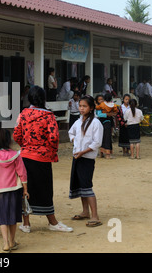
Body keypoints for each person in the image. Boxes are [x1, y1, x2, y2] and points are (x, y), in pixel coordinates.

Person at [13, 85, 73, 233]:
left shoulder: (23, 114)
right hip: (43, 157)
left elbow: (16, 135)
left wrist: (26, 146)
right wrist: (49, 150)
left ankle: (26, 224)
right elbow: (54, 137)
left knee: (25, 189)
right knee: (45, 189)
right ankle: (52, 221)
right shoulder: (49, 116)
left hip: (25, 156)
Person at [0, 128, 28, 253]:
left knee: (3, 217)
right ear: (9, 140)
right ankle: (12, 241)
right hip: (14, 189)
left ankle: (5, 244)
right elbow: (22, 173)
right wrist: (25, 189)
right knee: (12, 217)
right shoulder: (15, 155)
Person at [68, 95, 103, 227]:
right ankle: (85, 211)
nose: (81, 108)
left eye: (84, 106)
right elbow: (71, 133)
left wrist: (83, 151)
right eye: (80, 106)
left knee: (87, 186)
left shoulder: (96, 123)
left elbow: (97, 142)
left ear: (91, 108)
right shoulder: (78, 122)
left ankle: (95, 216)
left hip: (87, 159)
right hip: (77, 157)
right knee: (81, 185)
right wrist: (74, 142)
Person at [96, 93, 118, 159]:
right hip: (107, 122)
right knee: (107, 137)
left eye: (101, 99)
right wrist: (109, 114)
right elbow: (115, 111)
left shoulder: (101, 105)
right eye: (99, 100)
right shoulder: (113, 105)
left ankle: (101, 153)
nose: (101, 101)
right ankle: (108, 154)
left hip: (103, 122)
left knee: (103, 137)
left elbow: (98, 112)